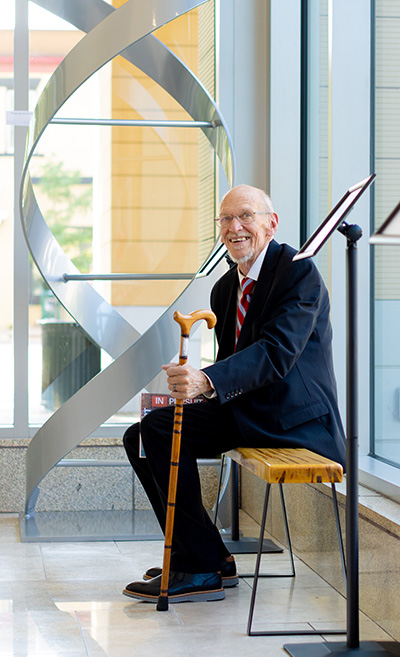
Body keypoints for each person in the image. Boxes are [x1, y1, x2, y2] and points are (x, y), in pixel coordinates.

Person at [122, 184, 346, 603]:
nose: (234, 227)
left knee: (159, 431)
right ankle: (206, 556)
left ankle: (199, 564)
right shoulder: (226, 288)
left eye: (245, 216)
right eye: (226, 219)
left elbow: (276, 353)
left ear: (271, 223)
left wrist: (206, 382)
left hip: (294, 420)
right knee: (140, 436)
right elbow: (233, 362)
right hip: (249, 412)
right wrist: (195, 387)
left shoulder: (299, 272)